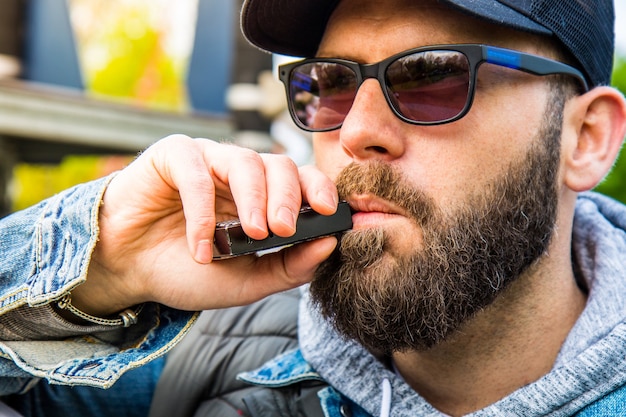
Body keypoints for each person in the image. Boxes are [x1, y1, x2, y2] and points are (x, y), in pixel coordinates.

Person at [1, 0, 626, 416]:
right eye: (329, 85)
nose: (355, 131)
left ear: (586, 138)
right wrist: (100, 270)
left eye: (433, 75)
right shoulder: (195, 361)